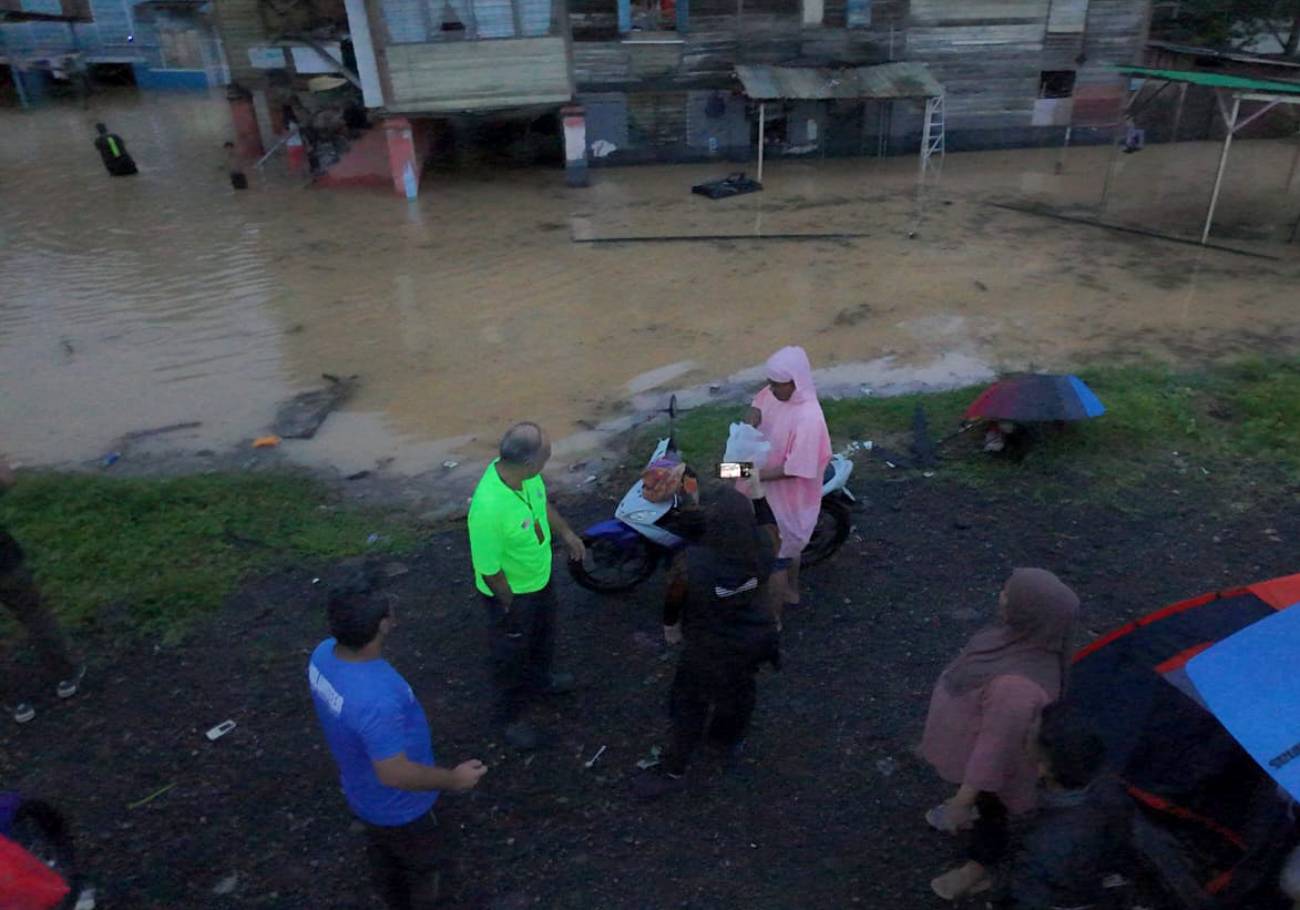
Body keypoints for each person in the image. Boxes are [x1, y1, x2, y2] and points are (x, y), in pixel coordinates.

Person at [308, 585, 487, 910]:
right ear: (382, 625)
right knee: (428, 867)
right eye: (388, 610)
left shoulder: (322, 655)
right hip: (405, 808)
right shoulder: (376, 698)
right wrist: (454, 779)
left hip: (362, 792)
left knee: (385, 858)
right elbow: (394, 773)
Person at [920, 568, 1080, 901]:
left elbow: (993, 752)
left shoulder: (1017, 687)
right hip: (975, 756)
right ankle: (970, 806)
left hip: (992, 774)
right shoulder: (1021, 642)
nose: (1001, 597)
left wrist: (963, 801)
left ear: (1032, 614)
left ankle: (978, 869)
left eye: (1009, 595)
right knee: (985, 801)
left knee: (993, 812)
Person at [632, 487, 781, 799]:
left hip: (709, 646)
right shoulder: (766, 545)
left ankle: (674, 769)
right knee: (741, 691)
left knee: (690, 705)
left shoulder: (692, 563)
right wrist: (756, 493)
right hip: (754, 639)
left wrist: (670, 627)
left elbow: (674, 597)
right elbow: (770, 524)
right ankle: (726, 739)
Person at [467, 422, 585, 751]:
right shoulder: (488, 508)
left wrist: (566, 534)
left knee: (543, 636)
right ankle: (509, 718)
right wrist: (511, 605)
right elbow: (489, 571)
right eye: (547, 455)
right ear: (529, 462)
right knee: (509, 657)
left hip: (540, 581)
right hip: (512, 596)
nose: (550, 459)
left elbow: (542, 506)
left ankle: (542, 680)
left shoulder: (528, 478)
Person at [992, 703, 1132, 909]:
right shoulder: (1109, 786)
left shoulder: (1045, 842)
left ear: (1044, 767)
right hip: (1090, 881)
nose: (1028, 727)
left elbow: (1029, 896)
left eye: (1032, 729)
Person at [742, 346, 831, 623]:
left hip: (788, 496)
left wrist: (748, 472)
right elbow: (758, 403)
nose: (771, 389)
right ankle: (793, 592)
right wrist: (750, 423)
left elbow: (796, 469)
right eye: (770, 382)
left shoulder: (809, 418)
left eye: (777, 385)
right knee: (790, 548)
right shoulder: (774, 393)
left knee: (777, 557)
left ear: (796, 382)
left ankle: (773, 620)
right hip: (760, 477)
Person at [0, 459, 84, 725]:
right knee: (35, 614)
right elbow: (7, 479)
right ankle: (65, 673)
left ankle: (13, 700)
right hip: (5, 562)